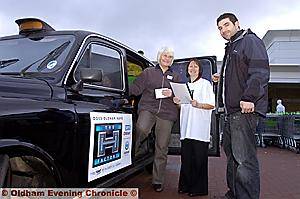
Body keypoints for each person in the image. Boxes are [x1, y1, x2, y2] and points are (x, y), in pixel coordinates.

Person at [215, 13, 270, 199]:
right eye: (220, 28)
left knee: (244, 160)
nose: (223, 30)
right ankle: (234, 194)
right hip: (231, 113)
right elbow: (237, 75)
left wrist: (249, 97)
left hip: (244, 110)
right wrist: (221, 79)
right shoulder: (232, 47)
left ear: (237, 23)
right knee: (232, 157)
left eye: (226, 25)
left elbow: (259, 72)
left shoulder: (250, 41)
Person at [129, 46, 180, 192]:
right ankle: (137, 150)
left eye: (170, 57)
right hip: (149, 108)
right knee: (141, 129)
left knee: (162, 147)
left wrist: (172, 94)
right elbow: (135, 89)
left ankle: (158, 180)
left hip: (166, 113)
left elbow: (179, 97)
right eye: (165, 56)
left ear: (172, 60)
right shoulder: (148, 72)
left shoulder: (175, 77)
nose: (167, 59)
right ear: (159, 57)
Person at [173, 59, 215, 197]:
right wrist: (178, 103)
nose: (193, 68)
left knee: (199, 159)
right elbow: (183, 107)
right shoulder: (184, 86)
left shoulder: (206, 84)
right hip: (186, 129)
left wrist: (198, 105)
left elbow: (211, 105)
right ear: (187, 69)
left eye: (195, 66)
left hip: (199, 129)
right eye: (190, 66)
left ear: (200, 69)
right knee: (186, 159)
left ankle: (199, 189)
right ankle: (185, 186)